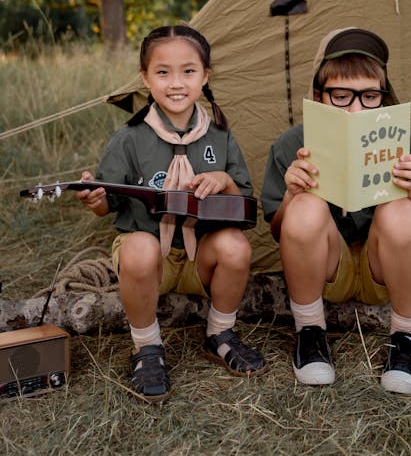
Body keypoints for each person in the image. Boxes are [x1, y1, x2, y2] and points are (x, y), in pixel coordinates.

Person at [76, 25, 267, 402]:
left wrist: (223, 180)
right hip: (152, 264)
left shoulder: (220, 137)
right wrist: (94, 198)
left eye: (188, 71)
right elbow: (106, 204)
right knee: (138, 247)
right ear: (145, 77)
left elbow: (245, 206)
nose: (175, 83)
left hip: (200, 261)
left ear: (205, 75)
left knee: (236, 246)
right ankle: (146, 346)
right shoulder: (129, 138)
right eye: (162, 72)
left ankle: (219, 334)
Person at [261, 27, 411, 395]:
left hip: (383, 273)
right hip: (326, 272)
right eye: (341, 96)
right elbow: (281, 230)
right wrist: (292, 195)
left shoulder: (405, 142)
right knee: (307, 204)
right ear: (319, 97)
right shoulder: (291, 145)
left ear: (384, 98)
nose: (356, 108)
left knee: (398, 208)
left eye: (369, 96)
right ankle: (310, 332)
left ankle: (407, 339)